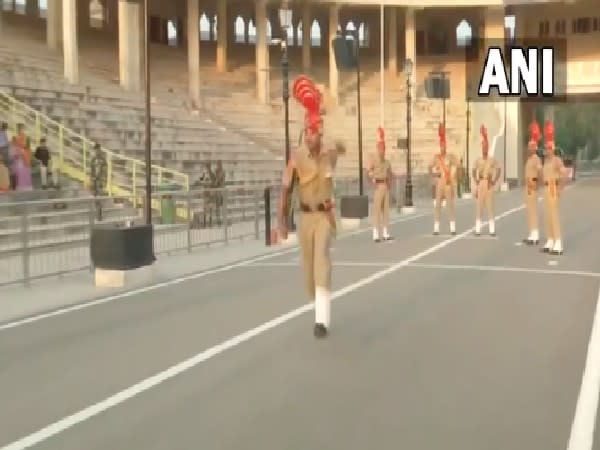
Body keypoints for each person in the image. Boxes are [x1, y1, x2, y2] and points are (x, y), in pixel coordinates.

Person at [278, 74, 345, 338]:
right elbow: (285, 189)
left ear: (319, 133)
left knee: (321, 264)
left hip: (324, 216)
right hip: (305, 217)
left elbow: (343, 147)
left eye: (313, 132)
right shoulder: (296, 158)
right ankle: (318, 303)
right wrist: (281, 221)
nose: (309, 136)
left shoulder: (329, 155)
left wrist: (329, 136)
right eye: (306, 131)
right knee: (308, 270)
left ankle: (321, 321)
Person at [541, 120, 567, 255]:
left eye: (549, 148)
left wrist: (561, 188)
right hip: (546, 188)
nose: (547, 150)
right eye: (546, 148)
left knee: (554, 215)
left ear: (553, 148)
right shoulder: (546, 161)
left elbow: (565, 173)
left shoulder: (557, 160)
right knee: (547, 215)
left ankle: (558, 242)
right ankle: (550, 240)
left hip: (553, 187)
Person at [428, 123, 458, 235]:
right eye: (441, 146)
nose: (442, 148)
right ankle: (436, 228)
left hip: (448, 182)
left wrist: (453, 175)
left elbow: (457, 166)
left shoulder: (450, 157)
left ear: (446, 147)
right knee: (438, 205)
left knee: (450, 205)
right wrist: (433, 175)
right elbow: (430, 167)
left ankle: (452, 227)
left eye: (444, 146)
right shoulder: (436, 157)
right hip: (440, 182)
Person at [472, 124, 501, 236]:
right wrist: (476, 180)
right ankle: (478, 229)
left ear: (488, 148)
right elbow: (473, 170)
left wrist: (494, 181)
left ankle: (492, 229)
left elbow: (498, 169)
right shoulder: (478, 160)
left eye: (486, 147)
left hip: (489, 183)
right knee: (479, 207)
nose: (484, 148)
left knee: (490, 207)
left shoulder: (491, 160)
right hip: (481, 183)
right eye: (483, 147)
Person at [367, 126, 393, 242]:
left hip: (385, 186)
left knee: (386, 210)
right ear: (378, 149)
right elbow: (368, 171)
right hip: (378, 186)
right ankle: (376, 233)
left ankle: (386, 232)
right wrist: (372, 179)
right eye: (381, 148)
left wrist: (390, 183)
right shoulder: (373, 159)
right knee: (377, 210)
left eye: (384, 149)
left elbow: (390, 173)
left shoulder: (387, 162)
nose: (382, 151)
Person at [523, 120, 542, 245]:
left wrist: (536, 184)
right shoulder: (529, 159)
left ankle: (535, 235)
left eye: (531, 147)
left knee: (533, 210)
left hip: (532, 186)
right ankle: (531, 233)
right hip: (528, 186)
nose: (529, 149)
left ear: (534, 148)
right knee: (529, 210)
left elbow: (540, 172)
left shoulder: (536, 159)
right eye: (528, 146)